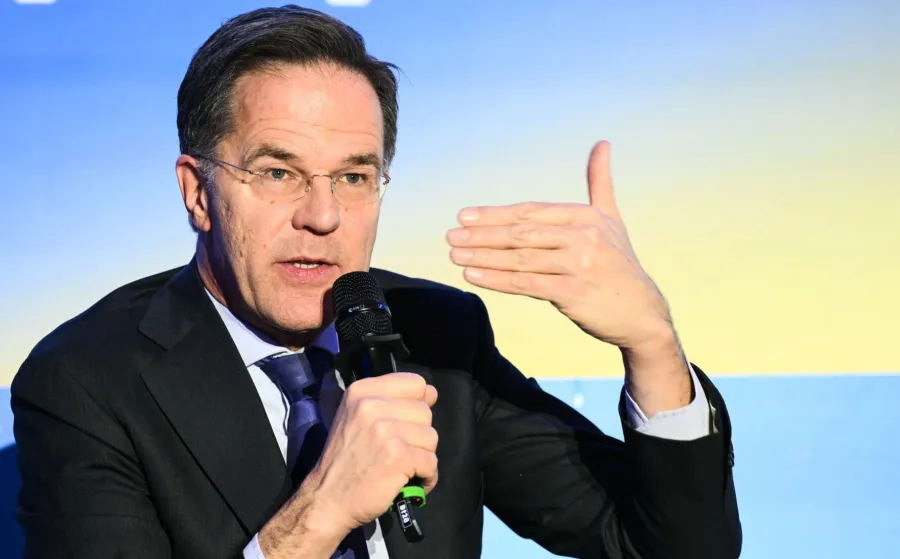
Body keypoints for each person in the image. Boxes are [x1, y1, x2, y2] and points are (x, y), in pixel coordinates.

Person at [11, 5, 741, 559]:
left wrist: (653, 344)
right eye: (277, 172)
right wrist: (320, 513)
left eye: (355, 176)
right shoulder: (85, 381)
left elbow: (667, 546)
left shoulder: (433, 330)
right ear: (198, 192)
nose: (324, 215)